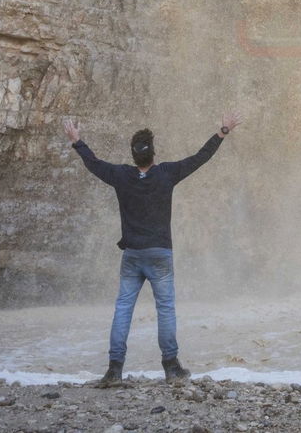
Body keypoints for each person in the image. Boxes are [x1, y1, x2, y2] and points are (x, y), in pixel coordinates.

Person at [63, 112, 241, 386]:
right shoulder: (166, 173)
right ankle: (171, 367)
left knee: (123, 308)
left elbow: (93, 163)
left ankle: (114, 370)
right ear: (153, 153)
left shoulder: (121, 175)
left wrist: (77, 141)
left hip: (132, 254)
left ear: (133, 155)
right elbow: (199, 158)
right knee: (166, 309)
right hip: (160, 253)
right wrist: (222, 132)